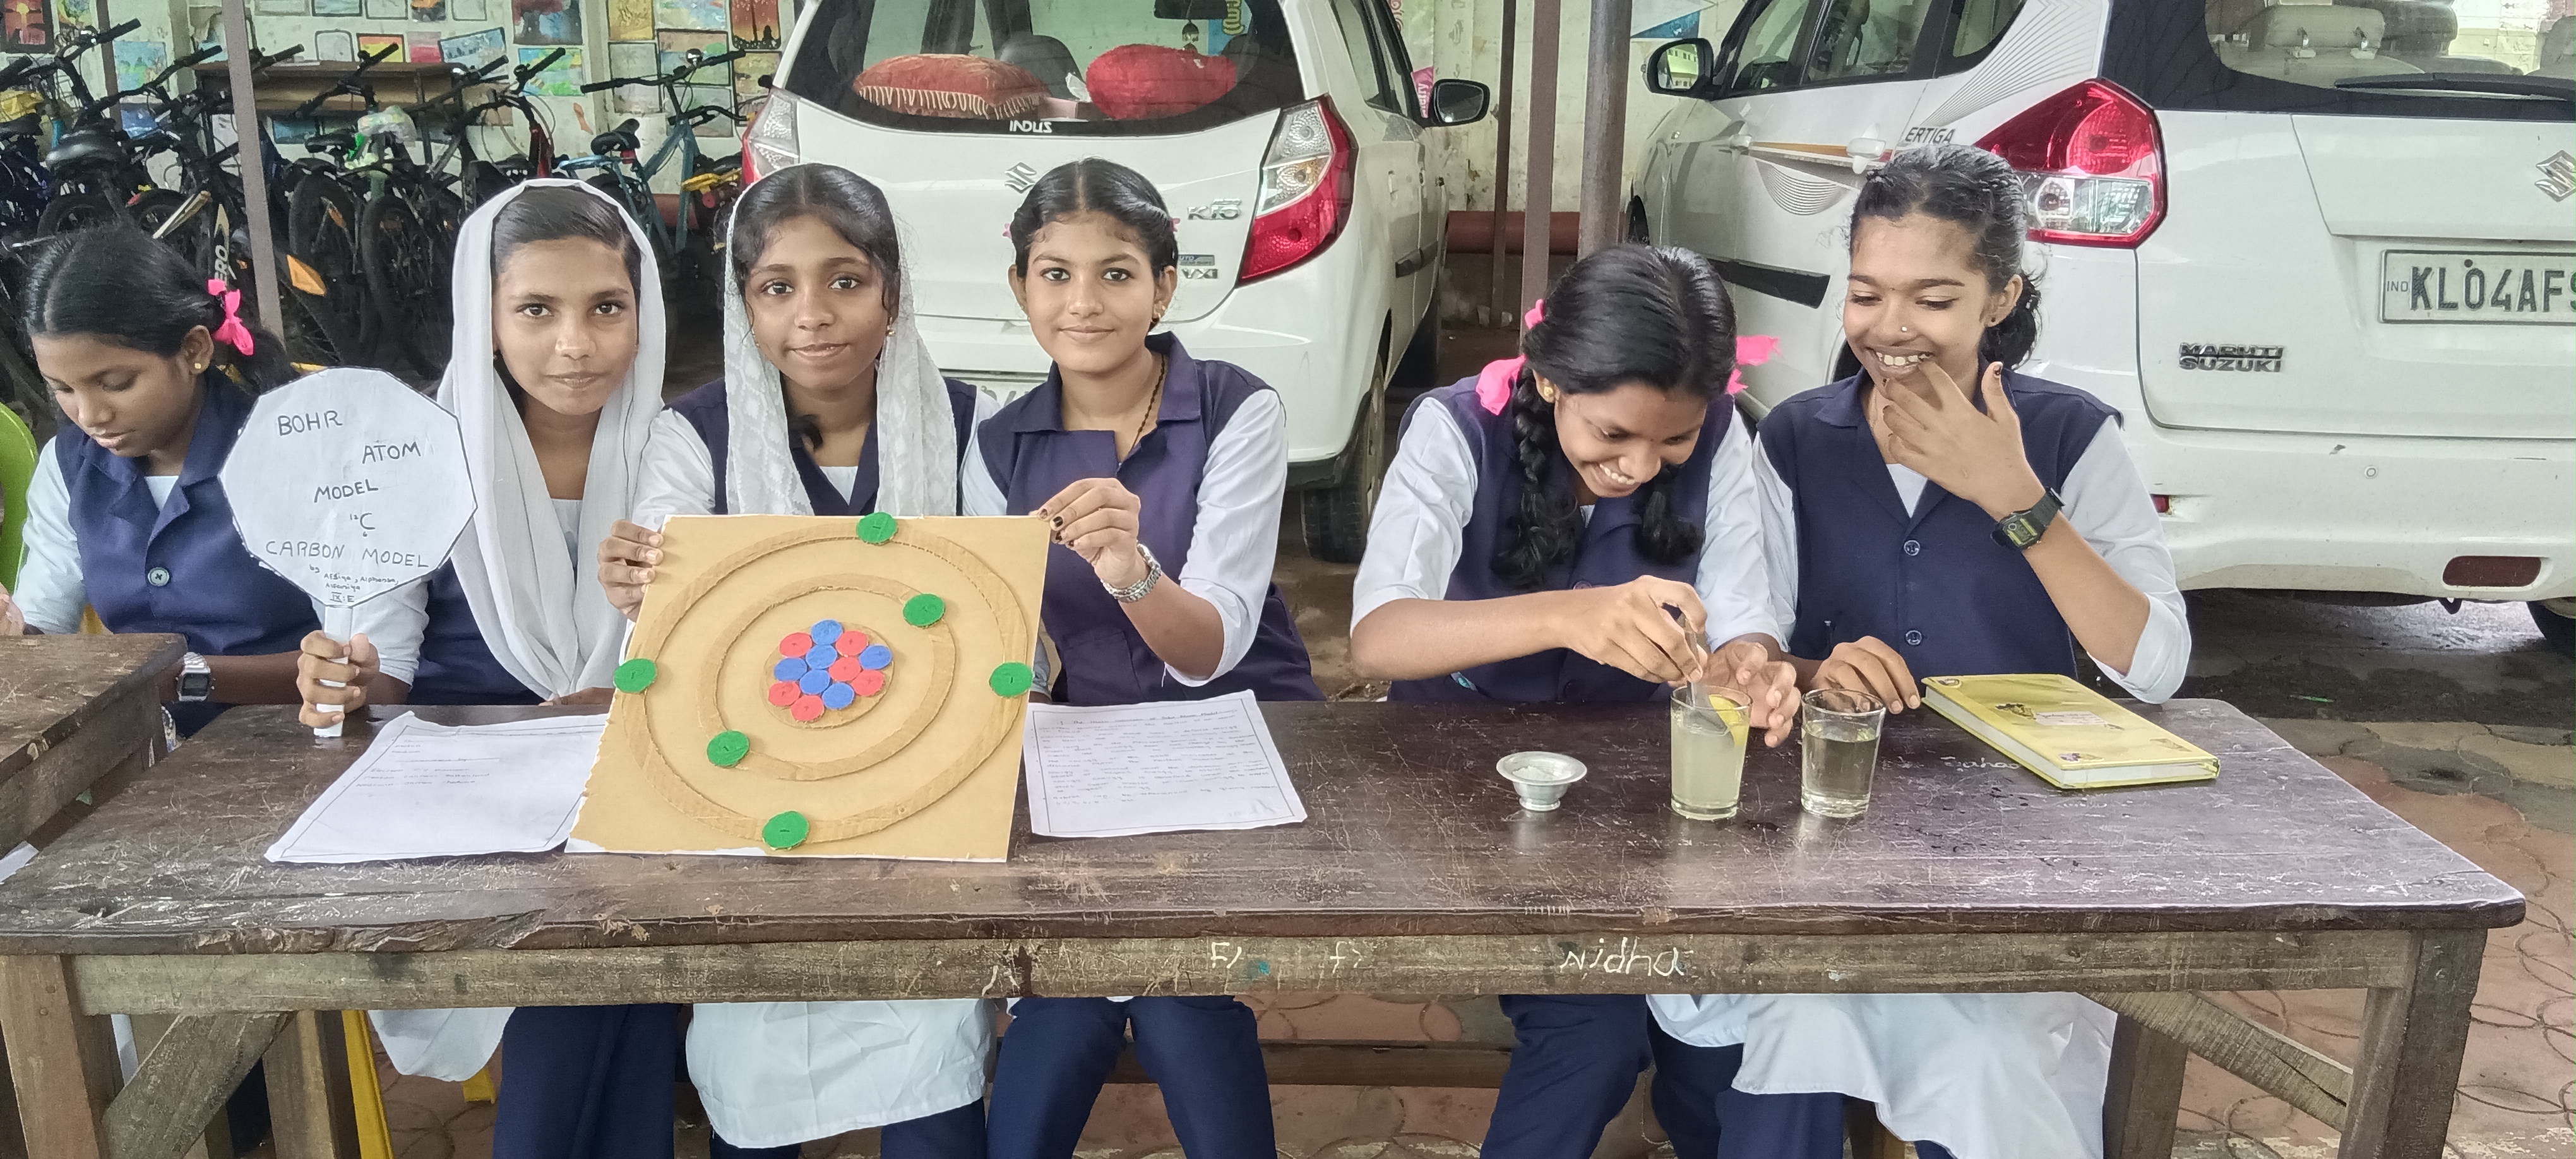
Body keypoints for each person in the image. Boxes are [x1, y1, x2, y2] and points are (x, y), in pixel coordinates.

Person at [1647, 142, 2191, 1159]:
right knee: (1791, 1029)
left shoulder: (2070, 439)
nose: (1890, 329)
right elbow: (1753, 648)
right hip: (1825, 839)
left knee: (1986, 1056)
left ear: (2001, 298)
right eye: (1866, 295)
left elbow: (2156, 666)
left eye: (1934, 300)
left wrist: (2015, 495)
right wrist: (1813, 673)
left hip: (2013, 849)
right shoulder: (1797, 440)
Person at [1347, 243, 1798, 1158]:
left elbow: (1747, 614)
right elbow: (1379, 635)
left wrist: (1744, 669)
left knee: (1726, 1027)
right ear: (1549, 379)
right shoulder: (1455, 429)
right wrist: (1570, 615)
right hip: (1459, 786)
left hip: (1629, 794)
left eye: (1673, 441)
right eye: (1612, 435)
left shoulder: (1723, 436)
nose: (1640, 466)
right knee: (1595, 1033)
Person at [600, 162, 994, 1159]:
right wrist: (646, 593)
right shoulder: (697, 435)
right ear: (744, 306)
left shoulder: (969, 422)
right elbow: (673, 613)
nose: (812, 315)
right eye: (777, 287)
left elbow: (1002, 614)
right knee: (755, 1067)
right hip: (751, 806)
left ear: (892, 290)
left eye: (845, 281)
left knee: (932, 1062)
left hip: (921, 798)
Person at [289, 181, 679, 1159]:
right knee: (587, 952)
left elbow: (708, 637)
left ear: (643, 312)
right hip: (473, 798)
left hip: (638, 776)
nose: (575, 345)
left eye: (607, 307)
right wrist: (350, 679)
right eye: (536, 310)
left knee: (605, 920)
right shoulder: (410, 461)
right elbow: (382, 673)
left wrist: (620, 706)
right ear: (485, 316)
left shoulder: (677, 447)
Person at [972, 158, 1318, 1159]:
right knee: (1069, 1012)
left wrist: (1130, 570)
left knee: (1178, 1004)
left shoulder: (1237, 410)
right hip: (1085, 757)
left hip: (1231, 741)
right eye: (1055, 274)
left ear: (1164, 287)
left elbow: (1211, 650)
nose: (1083, 303)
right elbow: (1000, 641)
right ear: (1021, 287)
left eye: (1117, 273)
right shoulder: (996, 445)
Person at [0, 225, 381, 734]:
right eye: (62, 389)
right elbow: (45, 622)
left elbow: (362, 660)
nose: (89, 415)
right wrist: (17, 637)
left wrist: (176, 677)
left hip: (304, 740)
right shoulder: (69, 466)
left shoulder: (300, 454)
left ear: (194, 350)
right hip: (144, 746)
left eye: (117, 384)